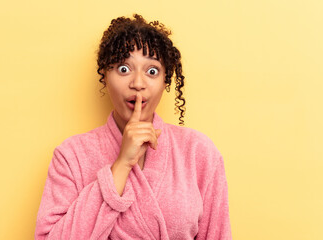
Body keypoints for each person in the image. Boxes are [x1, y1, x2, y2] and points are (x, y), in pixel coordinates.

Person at [35, 14, 232, 240]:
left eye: (152, 71)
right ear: (104, 76)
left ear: (165, 81)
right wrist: (121, 166)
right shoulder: (71, 156)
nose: (138, 84)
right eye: (123, 69)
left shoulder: (199, 151)